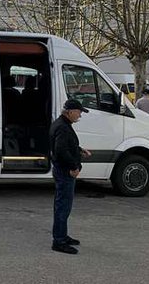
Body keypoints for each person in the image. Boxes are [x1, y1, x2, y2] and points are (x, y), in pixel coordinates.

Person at [49, 99, 92, 254]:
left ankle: (62, 235)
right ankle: (59, 241)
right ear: (70, 111)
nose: (80, 115)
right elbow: (61, 151)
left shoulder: (62, 124)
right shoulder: (62, 127)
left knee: (63, 206)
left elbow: (66, 145)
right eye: (79, 112)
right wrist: (74, 167)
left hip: (63, 170)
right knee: (63, 206)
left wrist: (80, 150)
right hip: (64, 171)